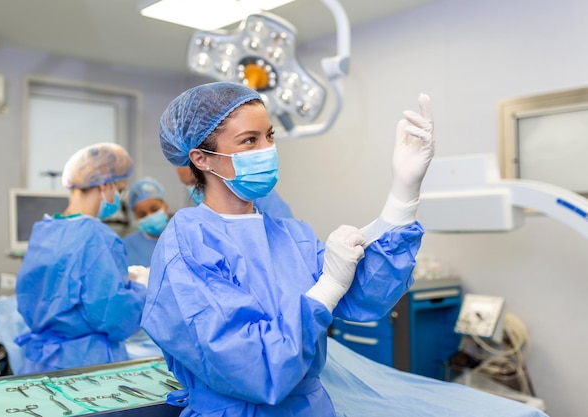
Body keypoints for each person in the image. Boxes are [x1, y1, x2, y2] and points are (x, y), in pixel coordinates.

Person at [140, 82, 434, 416]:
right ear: (201, 158)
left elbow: (366, 298)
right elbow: (252, 367)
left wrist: (403, 194)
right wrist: (327, 287)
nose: (266, 149)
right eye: (250, 140)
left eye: (269, 136)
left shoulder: (293, 236)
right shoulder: (189, 241)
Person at [15, 142, 147, 374]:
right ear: (105, 185)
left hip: (39, 363)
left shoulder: (45, 229)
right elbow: (112, 316)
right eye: (120, 189)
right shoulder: (96, 236)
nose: (119, 197)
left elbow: (44, 295)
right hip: (84, 365)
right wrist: (140, 289)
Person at [176, 165, 294, 218]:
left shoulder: (253, 192)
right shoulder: (201, 215)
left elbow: (284, 239)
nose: (192, 188)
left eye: (194, 181)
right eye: (186, 183)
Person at [123, 176, 172, 267]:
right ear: (136, 217)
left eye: (154, 210)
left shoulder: (181, 237)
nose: (150, 216)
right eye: (142, 214)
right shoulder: (128, 245)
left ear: (165, 207)